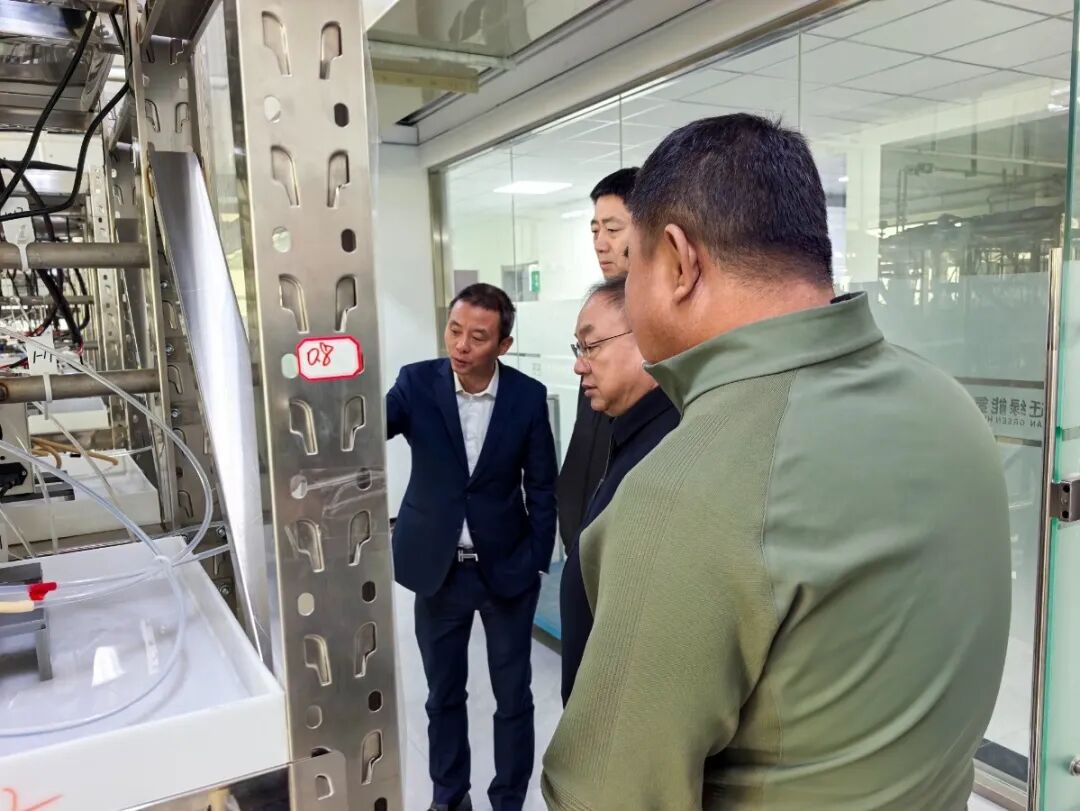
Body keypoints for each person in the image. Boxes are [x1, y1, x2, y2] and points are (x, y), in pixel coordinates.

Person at [542, 114, 1011, 810]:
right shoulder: (949, 405)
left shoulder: (686, 488)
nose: (627, 294)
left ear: (679, 261)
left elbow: (607, 797)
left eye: (632, 261)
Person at [386, 283, 557, 811]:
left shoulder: (527, 397)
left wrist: (535, 561)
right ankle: (449, 796)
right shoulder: (416, 384)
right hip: (437, 570)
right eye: (454, 330)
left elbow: (543, 486)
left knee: (513, 697)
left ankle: (508, 799)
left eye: (477, 337)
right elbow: (366, 427)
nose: (460, 345)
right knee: (442, 695)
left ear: (503, 345)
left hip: (506, 571)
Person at [559, 273, 678, 706]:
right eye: (578, 349)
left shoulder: (671, 449)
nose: (580, 365)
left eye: (591, 346)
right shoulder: (630, 430)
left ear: (648, 336)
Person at [556, 168, 638, 557]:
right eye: (595, 230)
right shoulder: (603, 316)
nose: (600, 244)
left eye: (613, 229)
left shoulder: (668, 336)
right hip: (581, 530)